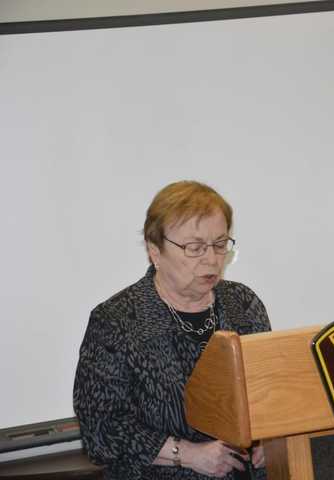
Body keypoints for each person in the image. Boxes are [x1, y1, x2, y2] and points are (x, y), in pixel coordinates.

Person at [74, 181, 269, 479]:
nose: (211, 258)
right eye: (194, 248)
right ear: (155, 251)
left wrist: (269, 438)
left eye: (219, 244)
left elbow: (269, 389)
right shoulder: (117, 321)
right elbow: (101, 431)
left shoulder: (242, 304)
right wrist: (187, 455)